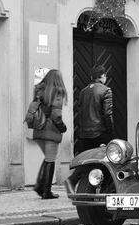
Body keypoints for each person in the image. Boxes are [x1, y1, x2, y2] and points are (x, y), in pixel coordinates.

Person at [64, 65, 113, 194]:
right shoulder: (106, 90)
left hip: (84, 133)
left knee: (86, 161)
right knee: (105, 160)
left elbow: (79, 113)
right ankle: (99, 188)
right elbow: (108, 113)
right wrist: (110, 132)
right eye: (105, 75)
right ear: (102, 76)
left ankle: (73, 181)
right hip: (99, 132)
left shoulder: (84, 91)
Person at [32, 69, 68, 199]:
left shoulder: (38, 90)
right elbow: (56, 115)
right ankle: (46, 191)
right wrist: (63, 127)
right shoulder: (58, 91)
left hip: (38, 130)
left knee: (48, 158)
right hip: (51, 131)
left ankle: (39, 186)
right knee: (50, 159)